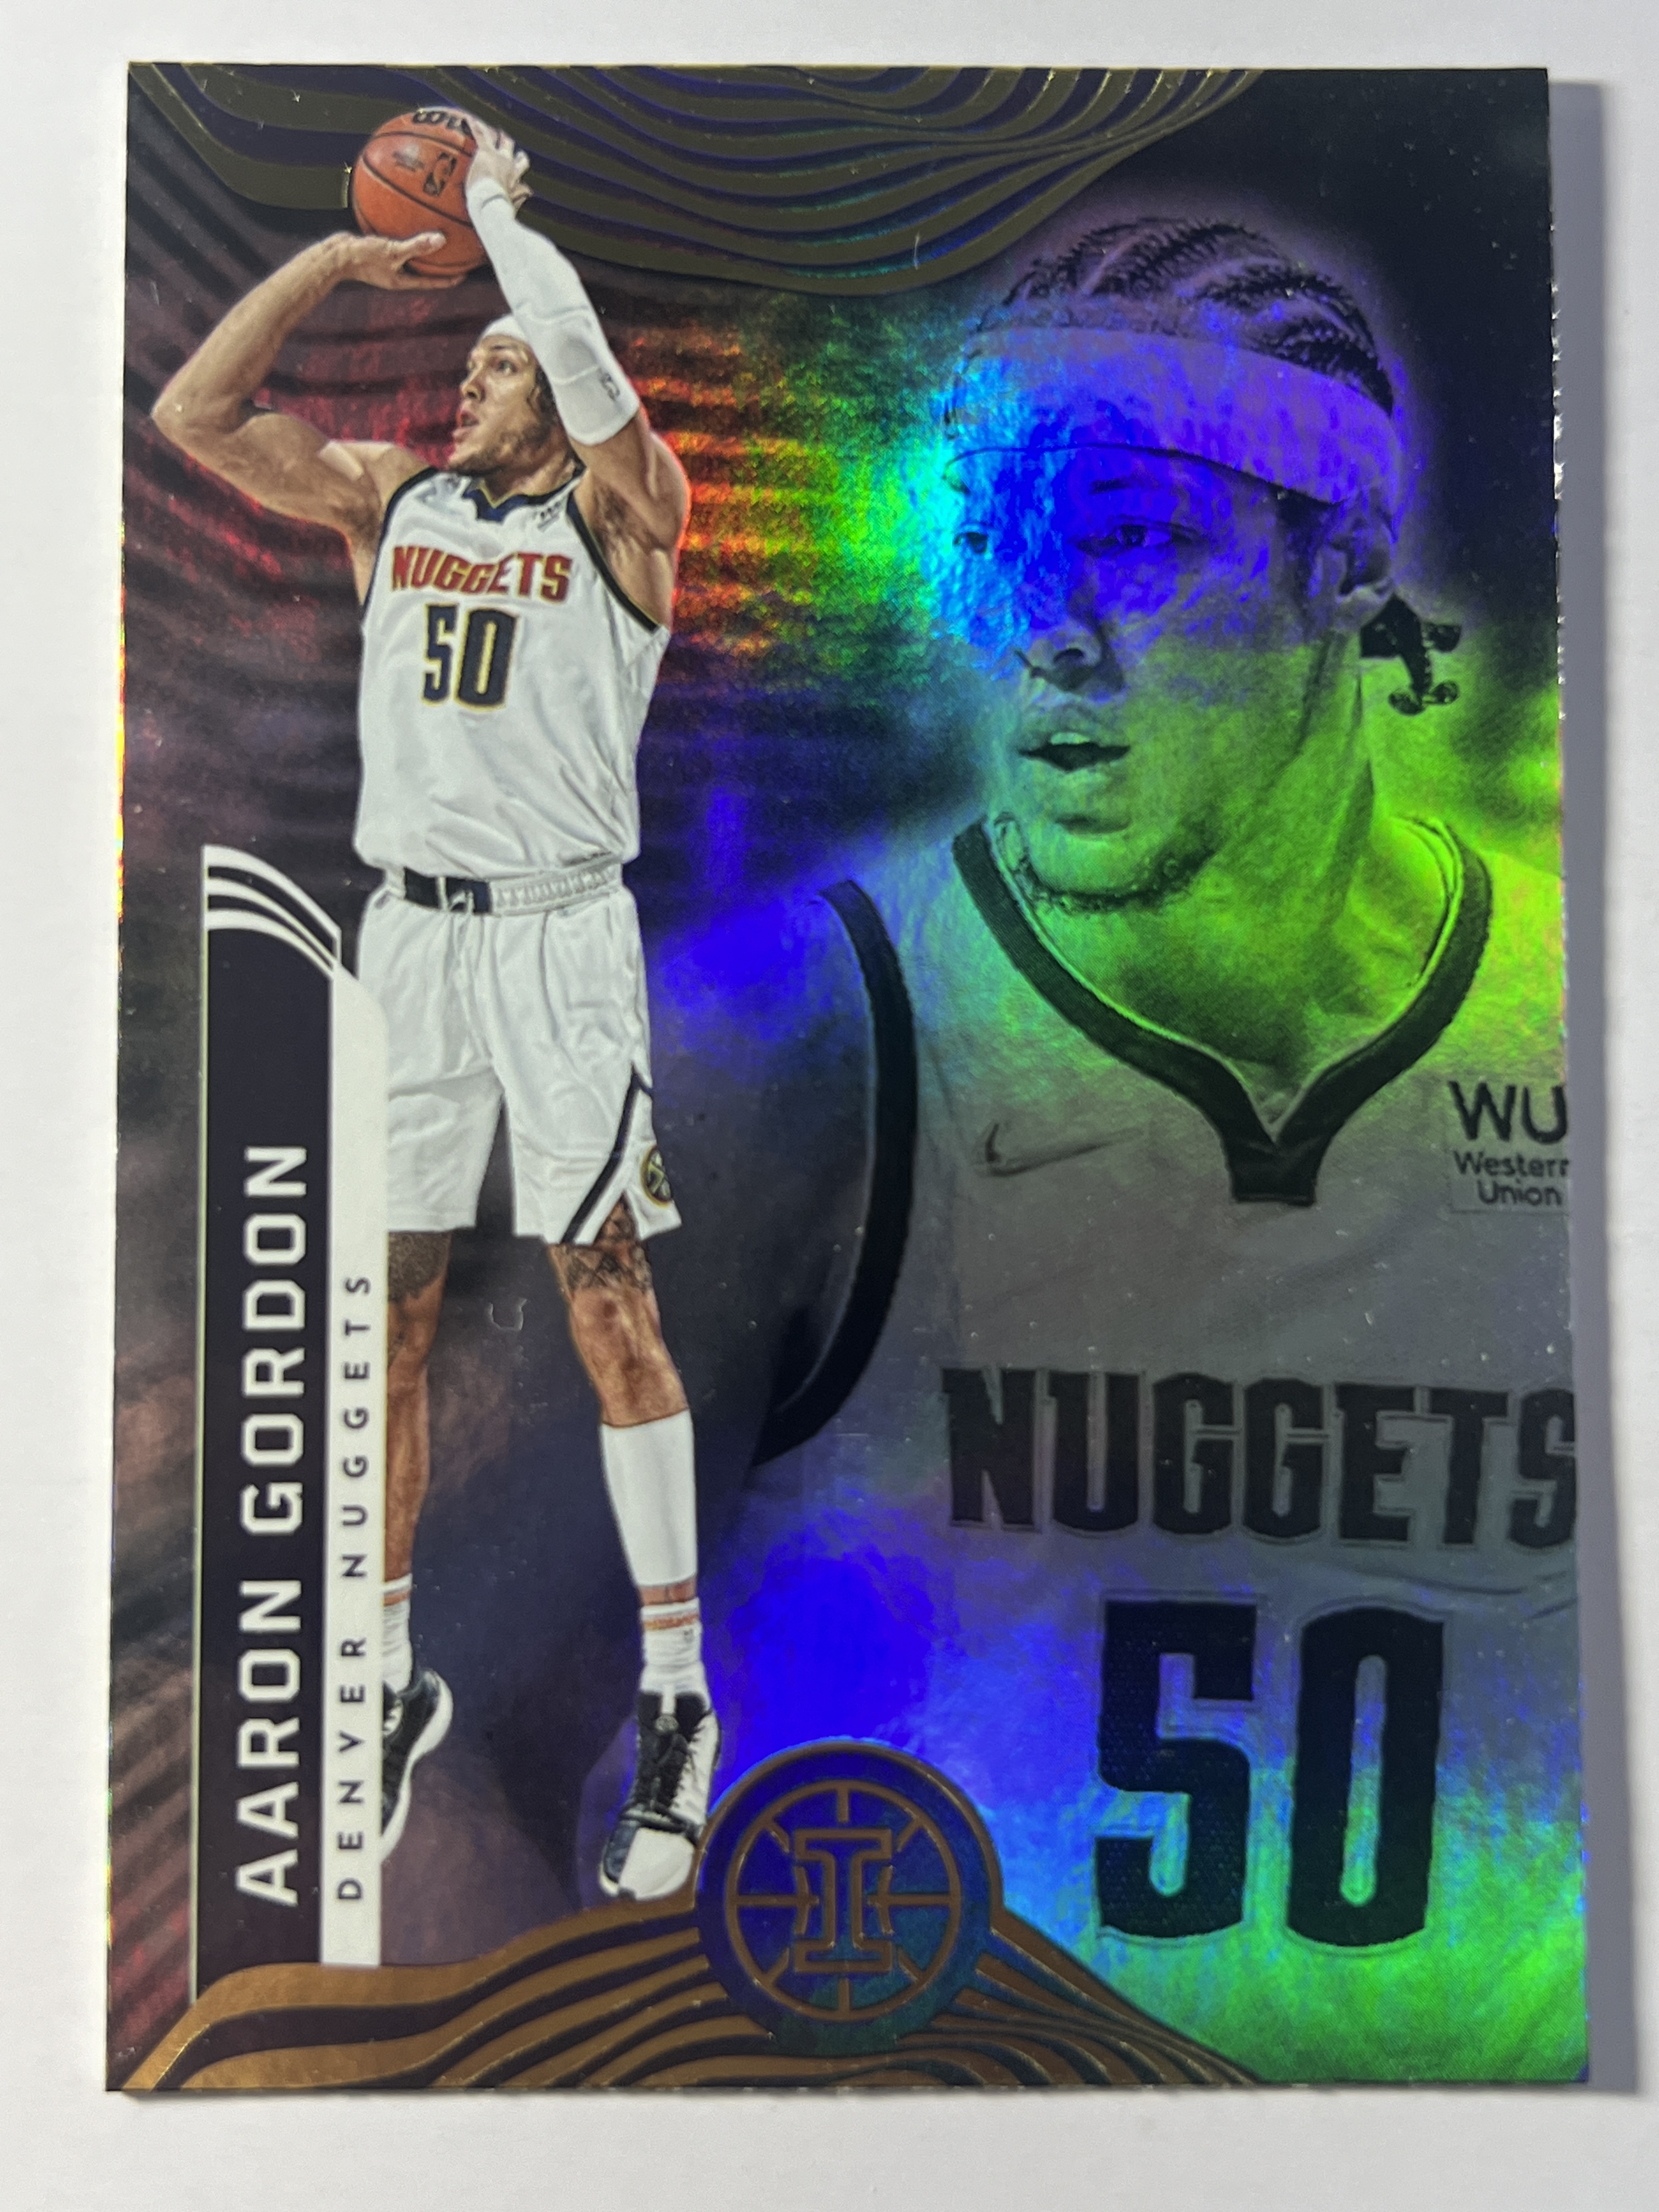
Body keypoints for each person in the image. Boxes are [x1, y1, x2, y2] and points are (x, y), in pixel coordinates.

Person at [658, 214, 1579, 2079]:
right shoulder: (793, 1032)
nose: (1046, 629)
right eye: (996, 537)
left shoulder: (1590, 1036)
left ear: (1347, 565)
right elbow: (445, 1729)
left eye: (1136, 536)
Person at [152, 118, 718, 1903]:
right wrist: (343, 257)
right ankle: (386, 1672)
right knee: (383, 1321)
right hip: (409, 941)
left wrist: (492, 217)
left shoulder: (628, 521)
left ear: (558, 394)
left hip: (561, 951)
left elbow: (597, 381)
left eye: (499, 365)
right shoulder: (392, 504)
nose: (466, 382)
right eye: (467, 362)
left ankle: (680, 1696)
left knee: (608, 1302)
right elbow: (193, 416)